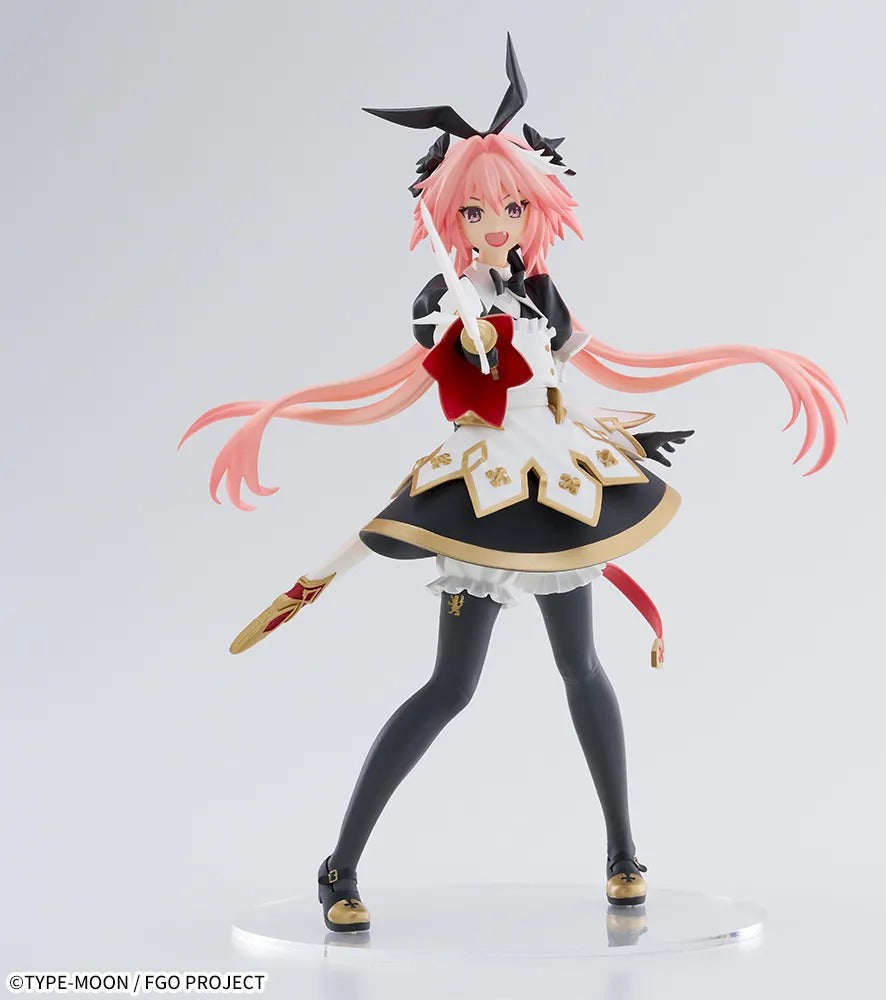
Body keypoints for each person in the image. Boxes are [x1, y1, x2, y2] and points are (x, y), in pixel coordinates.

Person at [180, 36, 844, 934]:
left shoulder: (543, 294)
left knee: (583, 668)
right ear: (450, 216)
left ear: (534, 208)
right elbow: (446, 385)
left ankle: (623, 853)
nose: (496, 225)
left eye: (512, 207)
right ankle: (340, 866)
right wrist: (467, 342)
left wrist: (747, 357)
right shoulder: (441, 299)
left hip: (562, 484)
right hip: (483, 491)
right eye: (478, 211)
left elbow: (608, 365)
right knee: (451, 688)